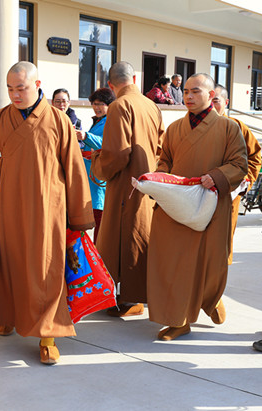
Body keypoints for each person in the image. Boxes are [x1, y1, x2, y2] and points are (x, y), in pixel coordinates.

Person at [0, 62, 95, 365]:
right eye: (10, 89)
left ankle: (47, 335)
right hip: (9, 205)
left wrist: (79, 217)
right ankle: (8, 315)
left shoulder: (59, 120)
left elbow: (75, 169)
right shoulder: (1, 118)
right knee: (9, 263)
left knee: (45, 270)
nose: (15, 95)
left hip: (47, 208)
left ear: (37, 85)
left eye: (21, 88)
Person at [147, 73, 247, 341]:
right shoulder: (174, 128)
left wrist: (216, 176)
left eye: (196, 91)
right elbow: (165, 161)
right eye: (186, 92)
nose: (189, 96)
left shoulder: (228, 128)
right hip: (176, 205)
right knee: (173, 263)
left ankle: (210, 298)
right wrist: (161, 177)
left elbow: (239, 164)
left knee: (210, 263)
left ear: (211, 95)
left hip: (209, 205)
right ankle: (178, 320)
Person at [91, 61, 164, 317]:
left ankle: (132, 299)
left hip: (125, 186)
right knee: (139, 237)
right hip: (147, 183)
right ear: (134, 78)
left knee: (123, 241)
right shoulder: (151, 105)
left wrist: (97, 163)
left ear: (110, 85)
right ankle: (135, 295)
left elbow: (117, 154)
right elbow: (160, 146)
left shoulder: (119, 106)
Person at [212, 84, 261, 264]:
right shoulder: (195, 127)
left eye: (216, 101)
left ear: (226, 102)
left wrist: (245, 182)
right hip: (201, 193)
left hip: (228, 195)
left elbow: (255, 157)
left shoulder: (237, 126)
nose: (212, 106)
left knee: (222, 246)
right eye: (209, 101)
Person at [75, 87, 116, 242]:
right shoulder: (99, 121)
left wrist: (86, 136)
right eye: (94, 103)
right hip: (90, 175)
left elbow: (107, 143)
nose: (96, 107)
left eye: (100, 104)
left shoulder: (111, 121)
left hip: (99, 177)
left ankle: (98, 253)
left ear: (109, 105)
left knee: (99, 220)